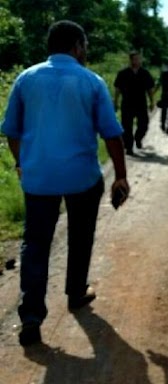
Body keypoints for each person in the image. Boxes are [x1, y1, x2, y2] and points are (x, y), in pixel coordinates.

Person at [0, 20, 130, 346]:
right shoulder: (92, 82)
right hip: (82, 177)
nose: (85, 51)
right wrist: (121, 176)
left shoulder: (25, 79)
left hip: (38, 177)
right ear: (76, 46)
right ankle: (75, 292)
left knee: (36, 244)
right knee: (80, 235)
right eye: (84, 45)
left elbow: (11, 132)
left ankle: (31, 316)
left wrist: (22, 163)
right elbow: (112, 134)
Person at [114, 51, 155, 155]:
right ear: (131, 60)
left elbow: (150, 89)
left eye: (139, 59)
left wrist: (152, 102)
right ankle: (129, 147)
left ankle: (138, 138)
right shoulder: (123, 73)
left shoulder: (145, 73)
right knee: (127, 126)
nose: (138, 61)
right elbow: (117, 88)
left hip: (141, 103)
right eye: (135, 59)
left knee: (144, 124)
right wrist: (115, 101)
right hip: (127, 103)